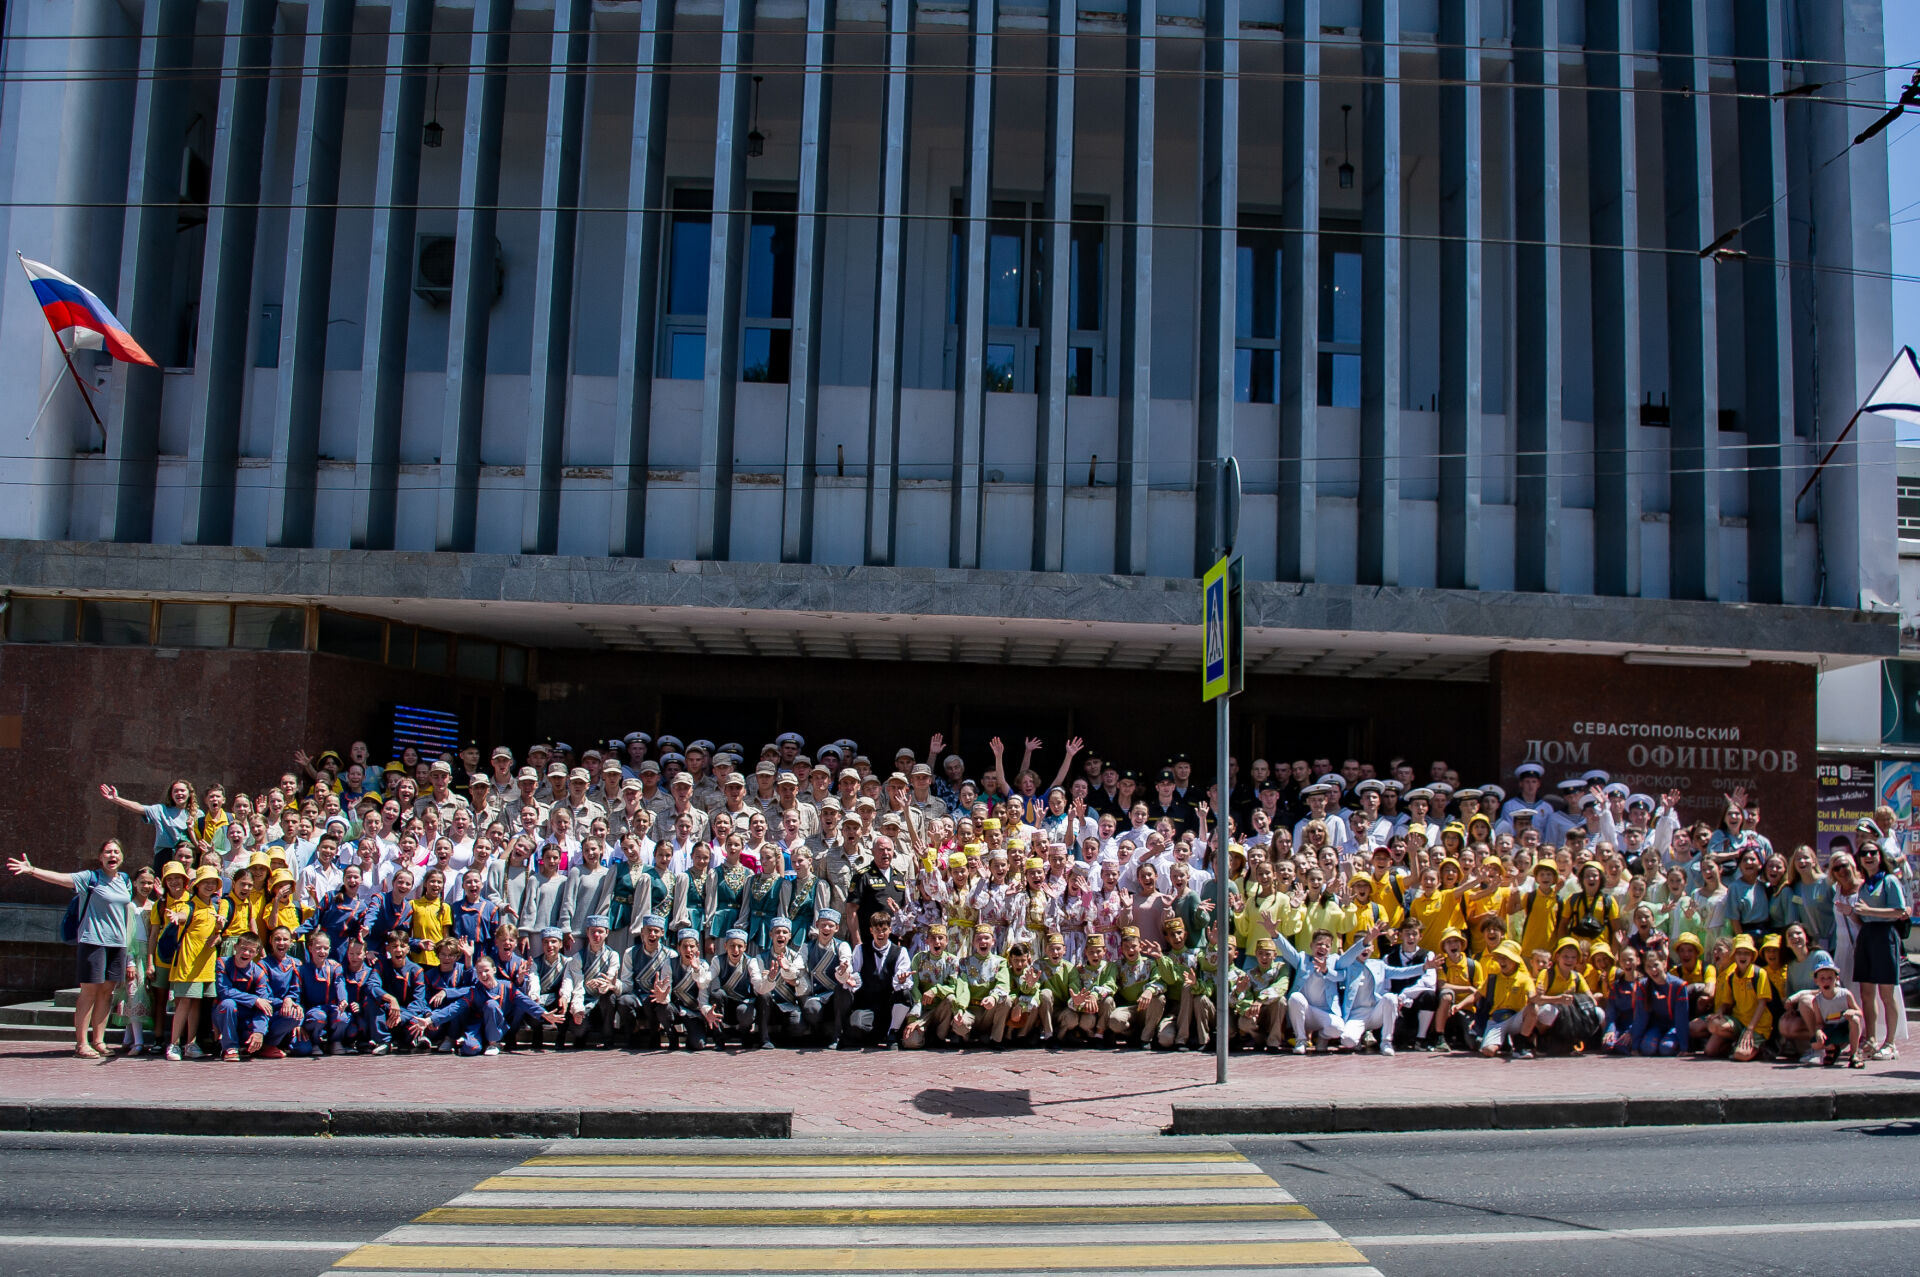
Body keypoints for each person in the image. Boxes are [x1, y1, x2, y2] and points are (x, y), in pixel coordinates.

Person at [8, 838, 135, 1058]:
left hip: (117, 944)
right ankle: (81, 1043)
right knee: (90, 991)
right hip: (93, 941)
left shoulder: (124, 880)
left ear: (122, 856)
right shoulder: (90, 878)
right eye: (107, 852)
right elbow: (61, 879)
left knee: (107, 992)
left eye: (116, 852)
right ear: (100, 857)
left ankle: (98, 1040)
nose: (112, 855)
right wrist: (32, 870)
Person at [1844, 840, 1910, 1061]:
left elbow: (1899, 911)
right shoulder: (1865, 884)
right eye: (1864, 853)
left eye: (1872, 852)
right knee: (1866, 992)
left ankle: (1890, 1043)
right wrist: (1850, 912)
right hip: (1867, 936)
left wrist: (1869, 910)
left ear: (1880, 855)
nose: (1868, 856)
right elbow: (1862, 917)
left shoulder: (1889, 880)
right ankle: (1870, 1039)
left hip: (1885, 936)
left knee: (1887, 993)